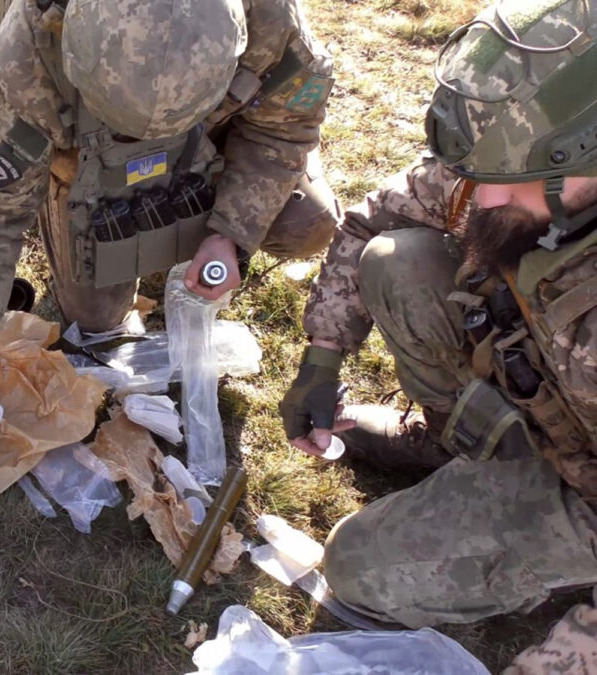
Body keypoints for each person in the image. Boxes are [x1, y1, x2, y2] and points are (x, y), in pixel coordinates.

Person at [280, 0, 597, 666]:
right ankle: (461, 441)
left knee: (357, 567)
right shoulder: (513, 160)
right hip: (547, 398)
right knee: (398, 258)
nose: (481, 199)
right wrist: (322, 356)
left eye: (510, 182)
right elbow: (372, 220)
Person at [0, 0, 338, 404]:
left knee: (306, 221)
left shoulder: (271, 17)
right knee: (98, 324)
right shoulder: (30, 52)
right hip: (86, 152)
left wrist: (230, 233)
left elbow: (283, 130)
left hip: (210, 130)